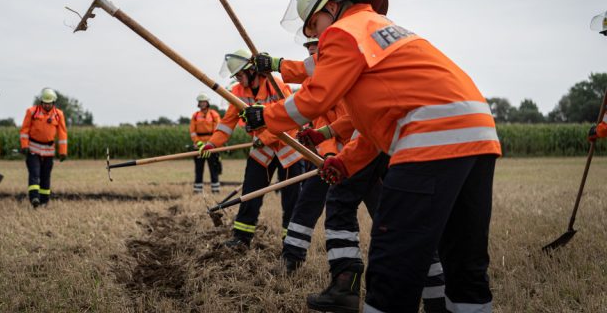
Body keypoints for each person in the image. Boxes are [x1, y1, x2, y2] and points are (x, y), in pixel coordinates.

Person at [242, 0, 501, 312]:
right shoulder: (378, 29)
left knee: (393, 261)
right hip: (477, 135)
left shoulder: (343, 31)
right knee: (464, 261)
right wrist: (345, 161)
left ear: (333, 8)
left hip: (430, 139)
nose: (315, 36)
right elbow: (377, 124)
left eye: (314, 25)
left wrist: (266, 117)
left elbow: (313, 99)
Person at [258, 41, 447, 312]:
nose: (313, 54)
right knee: (398, 219)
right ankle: (294, 258)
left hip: (370, 148)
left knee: (370, 211)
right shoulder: (335, 76)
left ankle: (348, 285)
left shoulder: (342, 68)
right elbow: (334, 118)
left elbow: (361, 121)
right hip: (353, 151)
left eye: (316, 48)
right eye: (310, 49)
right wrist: (325, 146)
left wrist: (340, 159)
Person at [202, 48, 304, 248]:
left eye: (240, 74)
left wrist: (264, 137)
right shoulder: (238, 93)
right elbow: (227, 123)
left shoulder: (277, 86)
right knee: (250, 193)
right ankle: (241, 237)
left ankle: (291, 243)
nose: (238, 79)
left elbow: (290, 118)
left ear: (252, 71)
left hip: (287, 147)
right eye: (236, 76)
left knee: (291, 200)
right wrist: (212, 143)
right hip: (262, 151)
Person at [20, 87, 68, 208]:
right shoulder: (31, 112)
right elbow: (24, 130)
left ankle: (44, 201)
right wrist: (24, 145)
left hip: (49, 150)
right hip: (33, 148)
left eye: (49, 103)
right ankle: (34, 198)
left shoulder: (59, 115)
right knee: (35, 173)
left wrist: (63, 152)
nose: (47, 105)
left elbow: (62, 134)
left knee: (45, 176)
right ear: (41, 102)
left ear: (53, 102)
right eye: (45, 103)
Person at [190, 93, 222, 193]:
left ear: (207, 103)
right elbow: (192, 132)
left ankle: (215, 191)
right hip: (198, 147)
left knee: (214, 169)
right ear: (198, 104)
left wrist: (210, 144)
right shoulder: (195, 116)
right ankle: (198, 191)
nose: (202, 104)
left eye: (203, 102)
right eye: (200, 102)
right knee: (198, 169)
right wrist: (199, 144)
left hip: (211, 146)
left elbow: (217, 130)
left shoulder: (214, 114)